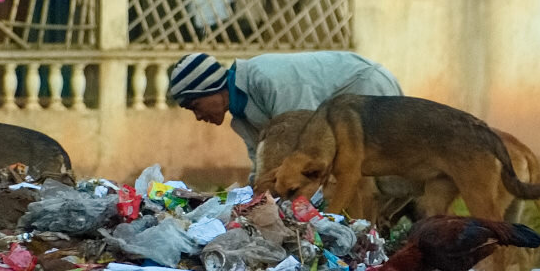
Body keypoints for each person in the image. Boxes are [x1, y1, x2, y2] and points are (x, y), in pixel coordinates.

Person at [168, 51, 403, 183]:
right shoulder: (241, 118)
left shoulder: (265, 78)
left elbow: (305, 142)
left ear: (210, 88)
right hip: (338, 112)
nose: (199, 116)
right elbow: (262, 169)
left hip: (365, 88)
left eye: (196, 106)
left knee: (383, 175)